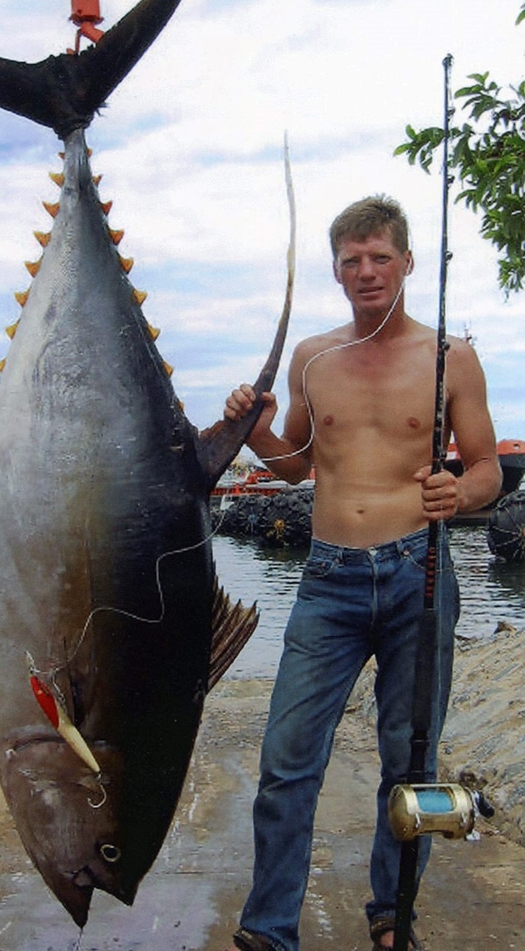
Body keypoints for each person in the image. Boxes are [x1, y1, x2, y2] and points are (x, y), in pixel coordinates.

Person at [223, 196, 502, 951]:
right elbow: (295, 466)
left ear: (406, 263)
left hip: (419, 570)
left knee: (407, 761)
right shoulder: (312, 355)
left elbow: (484, 470)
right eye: (351, 259)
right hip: (327, 578)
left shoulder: (453, 356)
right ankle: (268, 927)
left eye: (379, 256)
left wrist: (460, 492)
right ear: (336, 270)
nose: (366, 271)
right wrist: (251, 427)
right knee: (286, 761)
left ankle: (391, 915)